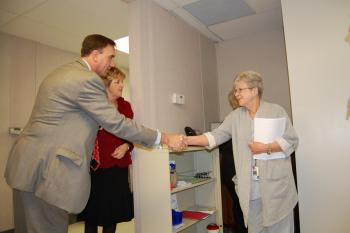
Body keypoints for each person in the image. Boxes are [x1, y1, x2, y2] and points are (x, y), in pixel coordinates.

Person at [4, 34, 186, 233]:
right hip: (48, 172)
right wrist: (164, 138)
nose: (112, 63)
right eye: (110, 57)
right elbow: (116, 123)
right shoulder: (87, 79)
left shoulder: (61, 73)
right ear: (95, 54)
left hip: (27, 166)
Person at [185, 71, 299, 233]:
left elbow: (292, 140)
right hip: (250, 187)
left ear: (254, 90)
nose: (236, 94)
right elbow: (215, 136)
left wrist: (266, 147)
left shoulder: (276, 111)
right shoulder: (235, 117)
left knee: (279, 228)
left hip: (276, 185)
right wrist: (187, 140)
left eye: (240, 89)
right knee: (255, 228)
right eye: (235, 90)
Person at [79, 67, 135, 233]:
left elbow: (132, 133)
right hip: (96, 168)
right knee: (93, 214)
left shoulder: (125, 106)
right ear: (106, 84)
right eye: (117, 82)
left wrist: (126, 146)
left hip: (119, 167)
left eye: (122, 82)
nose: (121, 85)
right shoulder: (94, 105)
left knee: (113, 213)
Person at [219, 90, 247, 233]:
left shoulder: (232, 118)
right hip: (234, 170)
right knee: (242, 206)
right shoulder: (235, 119)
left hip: (229, 170)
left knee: (238, 205)